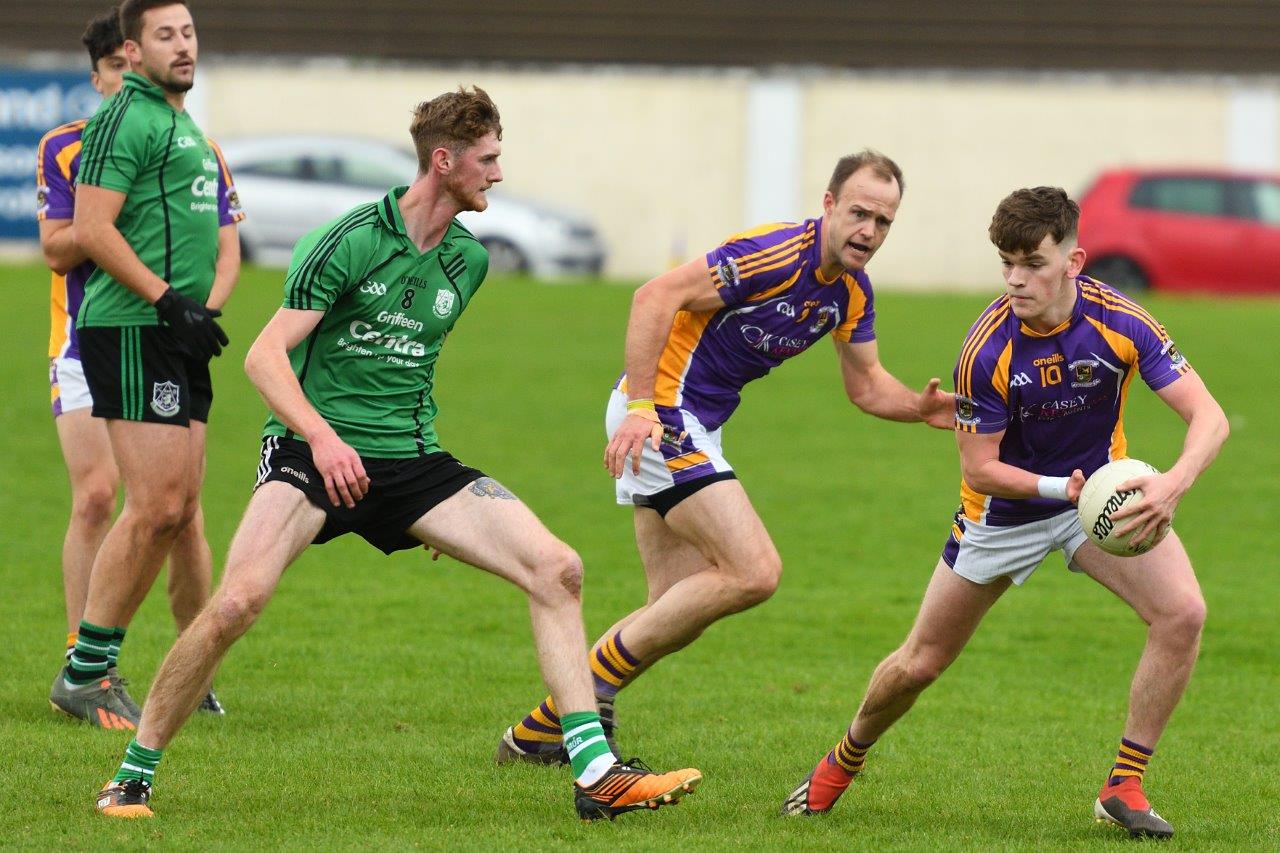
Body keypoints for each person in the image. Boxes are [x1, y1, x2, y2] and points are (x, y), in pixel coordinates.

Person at [93, 86, 702, 822]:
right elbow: (263, 358)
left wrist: (443, 512)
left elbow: (407, 377)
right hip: (309, 454)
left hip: (412, 464)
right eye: (488, 159)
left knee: (558, 567)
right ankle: (131, 775)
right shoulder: (350, 239)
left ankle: (596, 774)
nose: (498, 174)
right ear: (444, 161)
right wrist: (322, 437)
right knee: (235, 603)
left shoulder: (467, 262)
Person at [781, 187, 1228, 840]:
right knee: (920, 663)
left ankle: (1122, 784)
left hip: (1095, 500)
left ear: (1073, 260)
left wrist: (1175, 483)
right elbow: (979, 468)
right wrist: (1059, 489)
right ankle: (844, 758)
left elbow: (1209, 416)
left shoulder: (1121, 322)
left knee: (1183, 612)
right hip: (1003, 514)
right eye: (1006, 263)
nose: (1017, 278)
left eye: (1032, 263)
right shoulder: (988, 349)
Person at [496, 151, 954, 765]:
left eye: (883, 222)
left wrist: (920, 409)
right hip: (663, 416)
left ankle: (542, 731)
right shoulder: (771, 254)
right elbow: (652, 298)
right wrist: (641, 407)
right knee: (754, 571)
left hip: (691, 424)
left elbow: (868, 384)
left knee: (674, 607)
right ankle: (591, 695)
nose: (869, 232)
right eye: (859, 213)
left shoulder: (850, 293)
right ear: (828, 205)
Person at [39, 5, 240, 728]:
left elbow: (220, 241)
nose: (183, 45)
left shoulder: (183, 125)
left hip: (174, 333)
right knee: (150, 504)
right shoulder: (126, 116)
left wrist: (199, 311)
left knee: (179, 509)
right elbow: (87, 230)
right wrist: (166, 301)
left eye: (188, 32)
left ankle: (132, 666)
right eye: (165, 35)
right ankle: (86, 671)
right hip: (130, 327)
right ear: (131, 49)